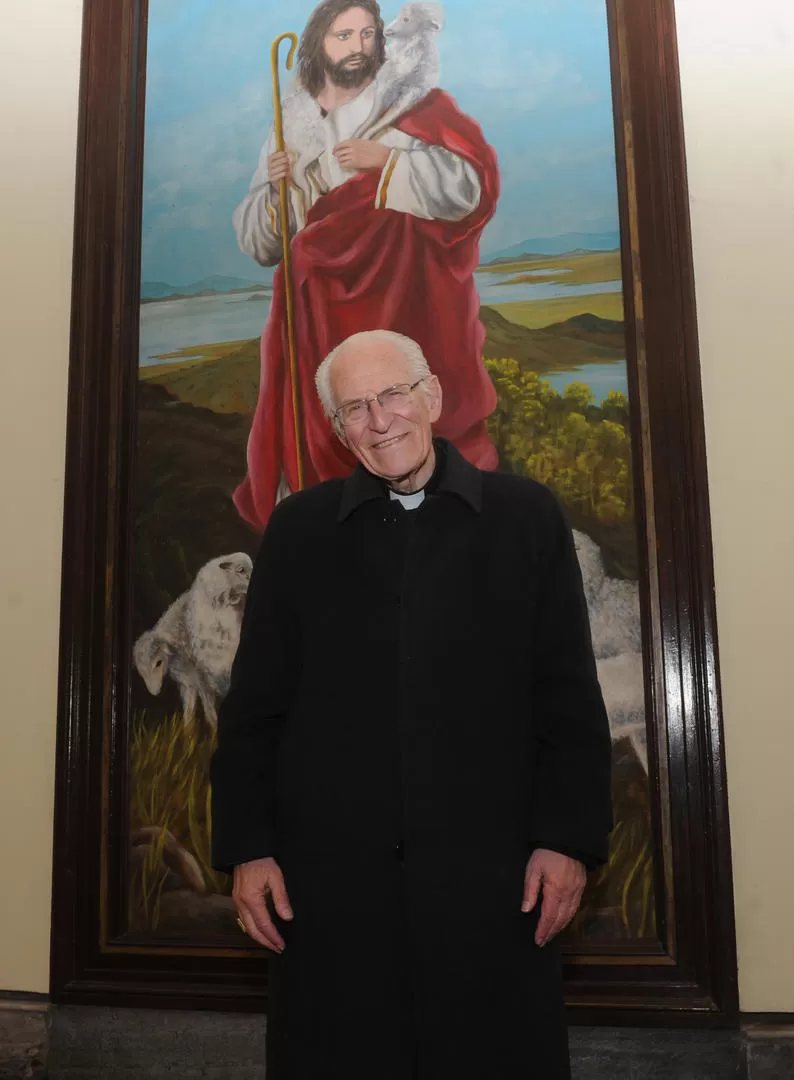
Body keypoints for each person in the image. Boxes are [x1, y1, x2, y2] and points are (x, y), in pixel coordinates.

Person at [211, 329, 613, 1080]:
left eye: (393, 394)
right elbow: (255, 705)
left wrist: (568, 840)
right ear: (337, 431)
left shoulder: (527, 518)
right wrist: (248, 847)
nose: (380, 420)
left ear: (431, 395)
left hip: (493, 888)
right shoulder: (300, 533)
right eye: (355, 408)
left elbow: (567, 697)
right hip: (330, 895)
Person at [232, 0, 500, 530]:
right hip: (315, 314)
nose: (358, 47)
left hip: (400, 297)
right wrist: (276, 191)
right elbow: (262, 243)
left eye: (367, 34)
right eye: (342, 35)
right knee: (326, 428)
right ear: (317, 46)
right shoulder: (295, 127)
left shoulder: (411, 105)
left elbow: (470, 187)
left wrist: (390, 163)